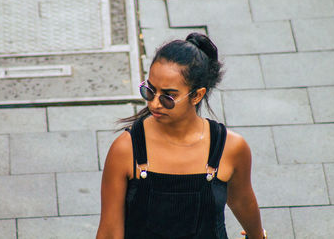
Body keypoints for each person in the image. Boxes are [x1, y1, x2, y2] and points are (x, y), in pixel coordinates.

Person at [96, 33, 266, 239]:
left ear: (197, 95)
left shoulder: (230, 148)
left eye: (168, 97)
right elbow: (109, 232)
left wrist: (257, 236)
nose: (154, 104)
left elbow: (241, 200)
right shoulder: (126, 149)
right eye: (149, 91)